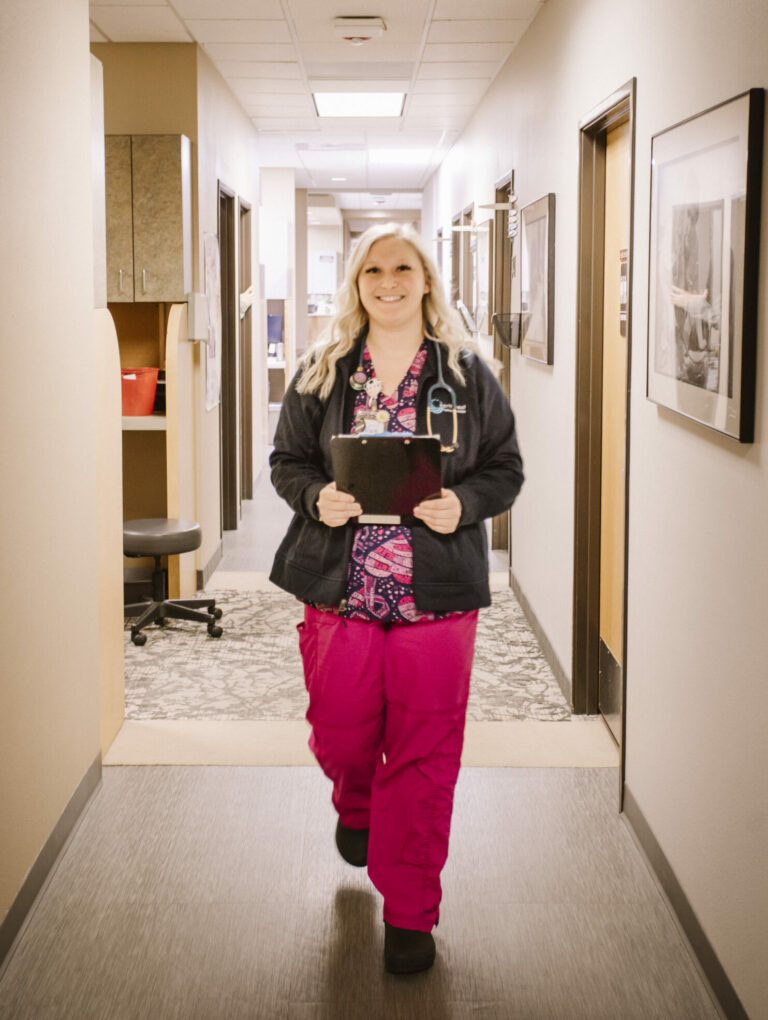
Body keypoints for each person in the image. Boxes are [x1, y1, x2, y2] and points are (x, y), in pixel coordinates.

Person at [269, 222, 524, 974]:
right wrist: (316, 495)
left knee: (426, 750)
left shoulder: (469, 373)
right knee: (344, 730)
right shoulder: (323, 371)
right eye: (373, 269)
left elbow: (504, 468)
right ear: (356, 281)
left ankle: (411, 912)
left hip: (436, 596)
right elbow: (286, 463)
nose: (388, 281)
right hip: (339, 590)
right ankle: (356, 803)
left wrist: (465, 504)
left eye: (403, 267)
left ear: (426, 279)